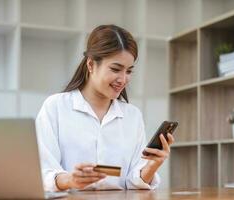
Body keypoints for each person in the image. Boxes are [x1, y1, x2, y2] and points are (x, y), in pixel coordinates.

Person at [35, 24, 174, 192]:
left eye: (129, 71)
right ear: (91, 65)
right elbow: (44, 173)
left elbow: (133, 182)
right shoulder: (55, 107)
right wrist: (70, 180)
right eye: (116, 69)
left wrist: (152, 165)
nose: (123, 80)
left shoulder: (132, 116)